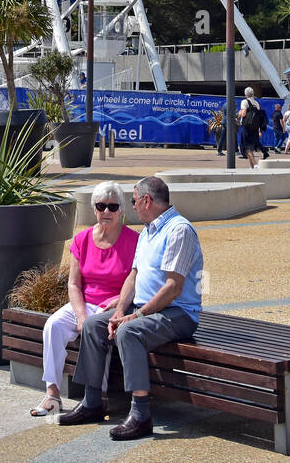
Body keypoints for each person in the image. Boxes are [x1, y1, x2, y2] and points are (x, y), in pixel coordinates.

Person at [59, 176, 202, 441]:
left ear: (147, 201)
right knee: (92, 325)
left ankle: (141, 414)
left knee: (129, 332)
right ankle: (92, 402)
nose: (133, 207)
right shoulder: (149, 230)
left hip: (178, 313)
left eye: (134, 201)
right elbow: (134, 276)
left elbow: (173, 288)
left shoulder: (178, 230)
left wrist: (134, 316)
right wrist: (118, 311)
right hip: (147, 309)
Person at [30, 182, 139, 417]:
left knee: (98, 329)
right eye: (101, 206)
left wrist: (119, 301)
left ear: (122, 210)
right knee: (53, 325)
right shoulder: (82, 239)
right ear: (94, 208)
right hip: (84, 301)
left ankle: (98, 397)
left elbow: (139, 281)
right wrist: (80, 314)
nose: (107, 212)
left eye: (113, 206)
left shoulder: (135, 241)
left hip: (113, 304)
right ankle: (52, 394)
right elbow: (73, 284)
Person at [239, 87, 266, 169]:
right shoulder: (257, 103)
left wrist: (239, 113)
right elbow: (258, 118)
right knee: (250, 147)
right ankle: (252, 167)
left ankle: (256, 165)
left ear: (245, 94)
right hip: (255, 128)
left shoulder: (244, 101)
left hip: (246, 127)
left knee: (247, 148)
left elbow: (243, 114)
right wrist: (259, 131)